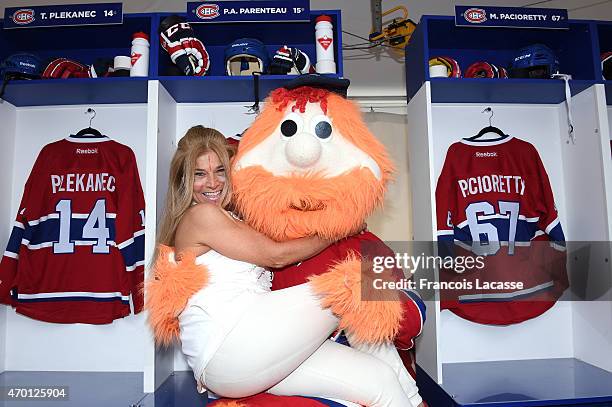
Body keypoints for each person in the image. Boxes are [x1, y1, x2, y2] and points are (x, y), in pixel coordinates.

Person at [150, 125, 423, 407]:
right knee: (355, 283)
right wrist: (341, 228)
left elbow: (287, 225)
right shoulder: (201, 216)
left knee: (378, 380)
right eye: (199, 174)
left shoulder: (231, 217)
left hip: (249, 354)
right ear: (183, 180)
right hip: (230, 343)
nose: (212, 183)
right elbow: (277, 256)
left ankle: (414, 403)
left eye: (220, 171)